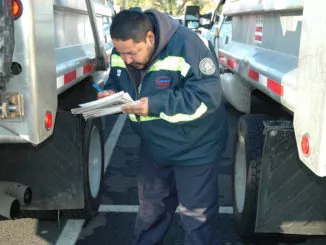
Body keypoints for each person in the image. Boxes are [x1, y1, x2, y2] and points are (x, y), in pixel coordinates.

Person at [98, 8, 228, 245]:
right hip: (154, 147)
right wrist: (111, 93)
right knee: (151, 210)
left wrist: (154, 106)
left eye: (132, 53)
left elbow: (206, 97)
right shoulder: (122, 51)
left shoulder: (189, 44)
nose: (126, 59)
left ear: (149, 37)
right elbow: (117, 80)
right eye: (121, 52)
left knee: (196, 219)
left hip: (195, 147)